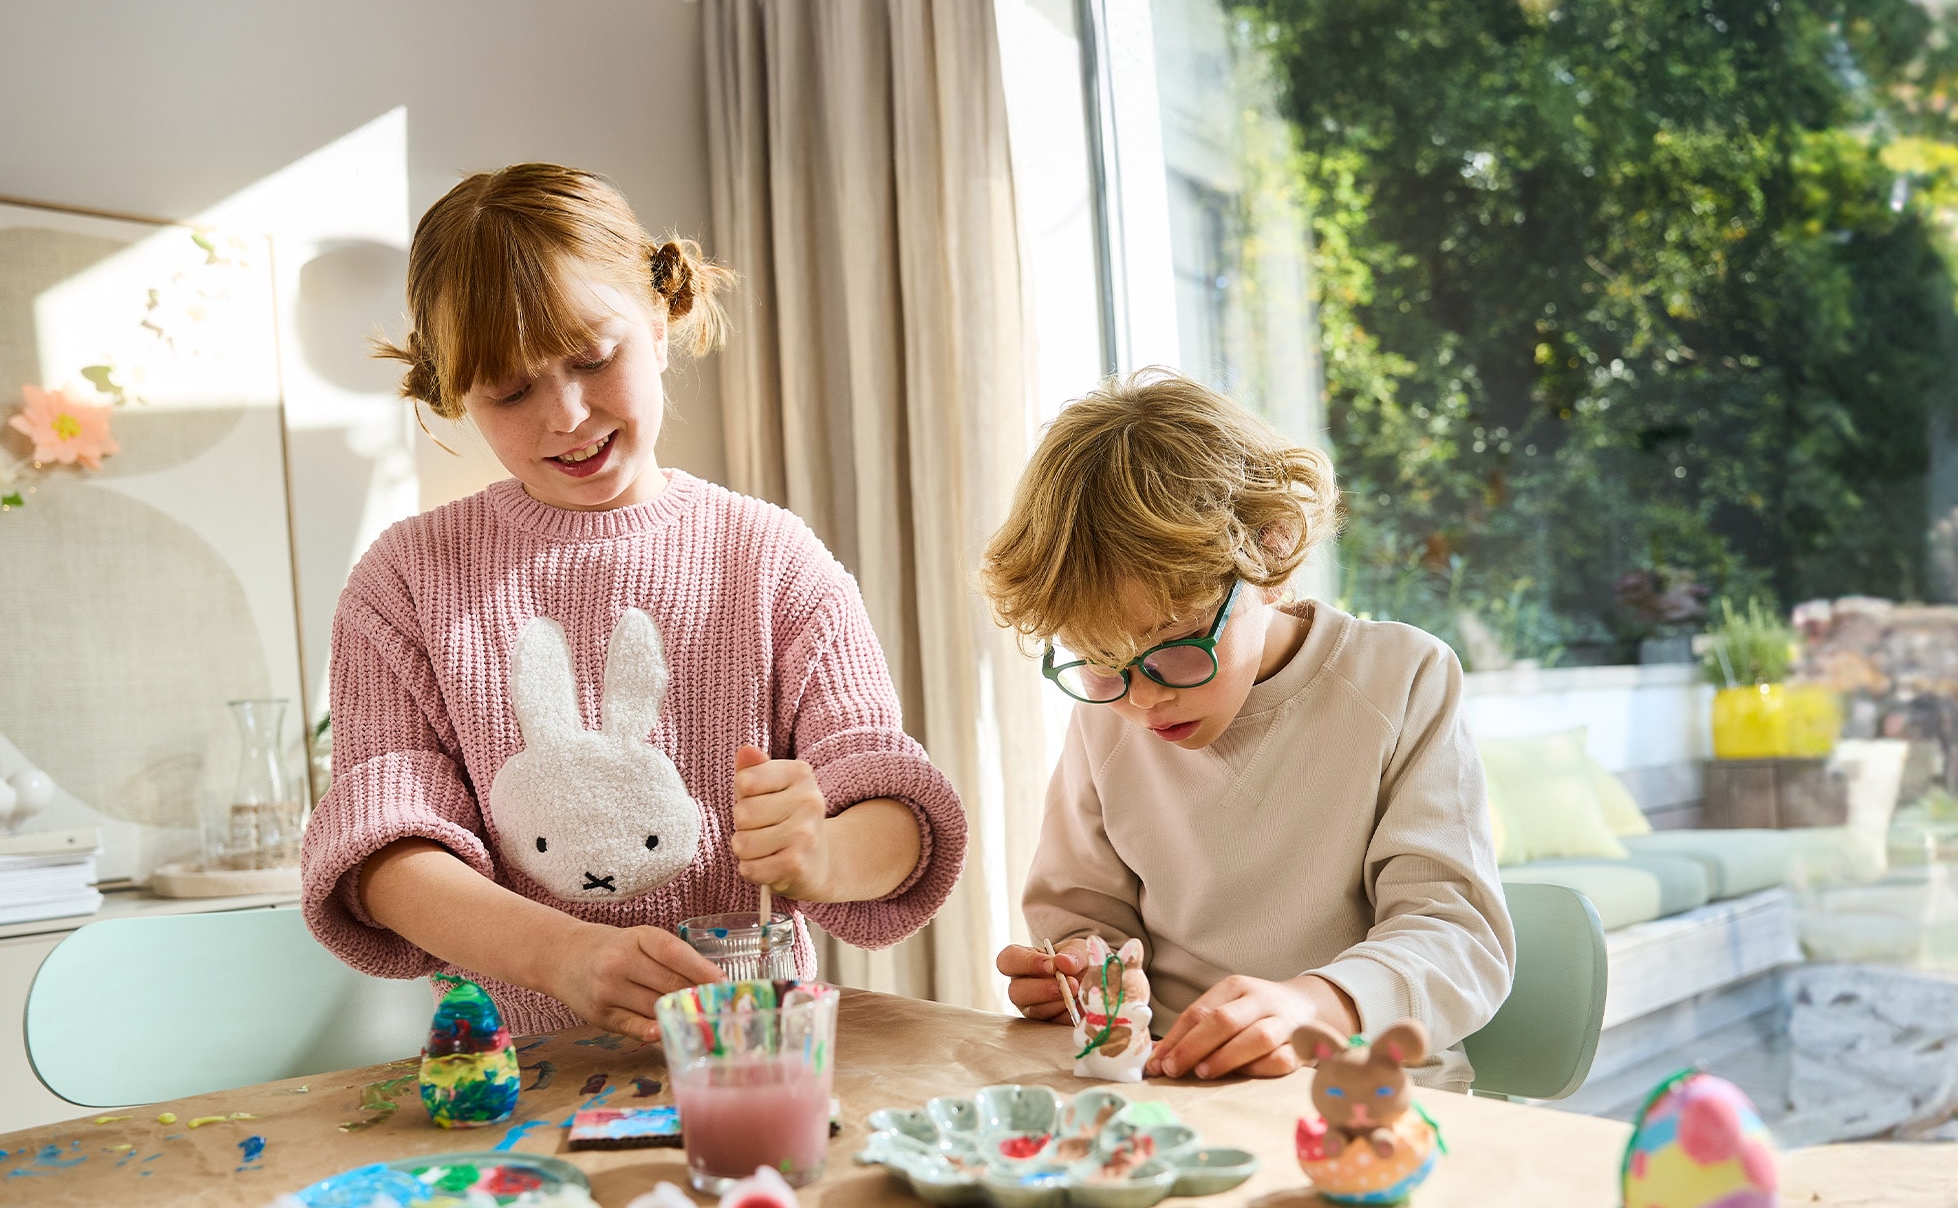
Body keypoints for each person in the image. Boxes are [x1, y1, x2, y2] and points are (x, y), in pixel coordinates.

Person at [301, 164, 966, 1041]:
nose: (567, 414)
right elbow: (384, 852)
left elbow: (896, 810)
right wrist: (560, 956)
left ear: (658, 318)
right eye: (509, 389)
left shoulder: (770, 559)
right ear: (455, 388)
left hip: (753, 1057)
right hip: (515, 1081)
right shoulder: (407, 580)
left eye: (592, 357)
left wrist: (828, 851)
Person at [984, 372, 1511, 1088]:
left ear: (1272, 556)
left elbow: (1456, 936)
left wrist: (1312, 1006)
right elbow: (1083, 915)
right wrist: (1085, 972)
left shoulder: (1402, 679)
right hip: (1171, 1091)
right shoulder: (1104, 716)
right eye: (1105, 661)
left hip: (1365, 1096)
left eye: (1174, 642)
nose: (1141, 700)